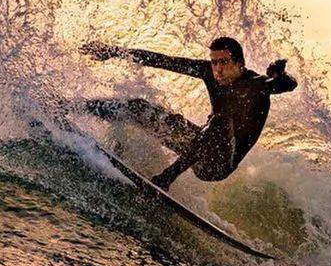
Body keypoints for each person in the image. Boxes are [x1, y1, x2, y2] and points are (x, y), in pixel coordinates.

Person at [71, 35, 298, 191]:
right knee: (138, 107)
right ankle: (71, 108)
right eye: (213, 62)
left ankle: (166, 178)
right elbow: (163, 61)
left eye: (224, 62)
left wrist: (279, 75)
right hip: (198, 147)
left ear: (239, 63)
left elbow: (289, 84)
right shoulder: (208, 72)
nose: (217, 69)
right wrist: (115, 52)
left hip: (218, 165)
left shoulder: (257, 85)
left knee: (219, 121)